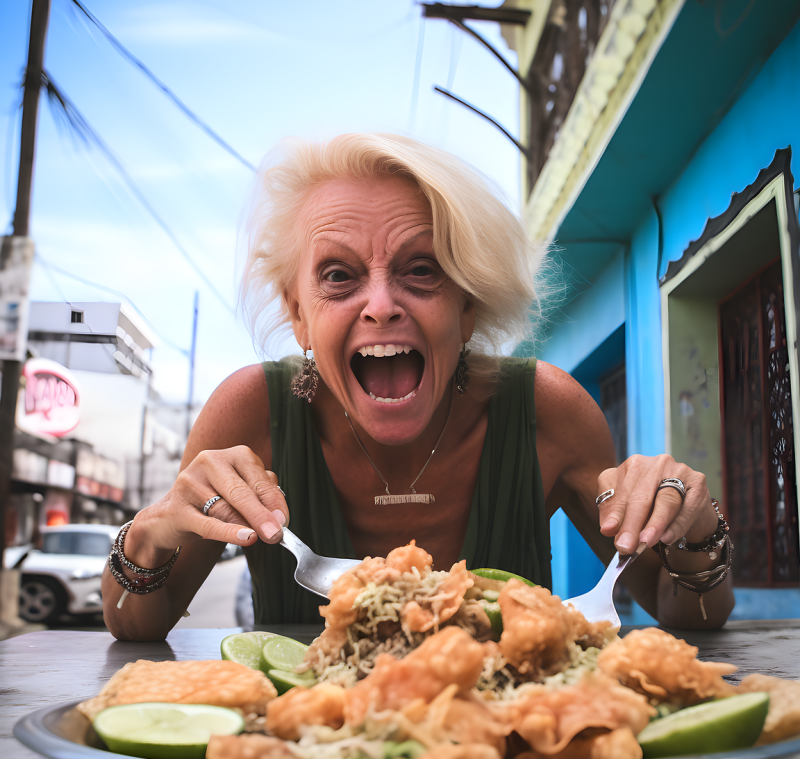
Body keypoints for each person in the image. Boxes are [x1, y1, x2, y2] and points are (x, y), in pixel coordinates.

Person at [102, 134, 734, 640]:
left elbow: (685, 611)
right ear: (298, 313)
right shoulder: (250, 415)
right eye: (339, 275)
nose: (380, 305)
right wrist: (155, 529)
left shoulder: (547, 409)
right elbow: (134, 624)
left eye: (421, 270)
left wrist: (697, 531)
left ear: (467, 308)